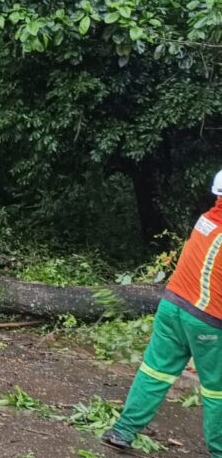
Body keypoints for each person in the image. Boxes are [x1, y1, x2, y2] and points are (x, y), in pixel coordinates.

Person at [102, 171, 222, 456]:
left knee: (155, 371)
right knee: (217, 390)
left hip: (172, 306)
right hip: (205, 320)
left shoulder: (206, 220)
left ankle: (123, 430)